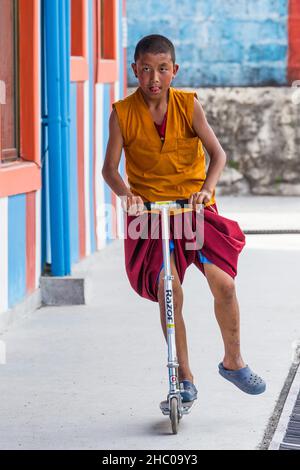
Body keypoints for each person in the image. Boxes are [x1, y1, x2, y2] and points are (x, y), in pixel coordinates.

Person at [102, 34, 266, 401]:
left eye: (162, 69)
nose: (154, 78)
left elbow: (218, 155)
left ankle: (234, 361)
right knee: (168, 290)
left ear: (174, 71)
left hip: (193, 208)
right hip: (150, 213)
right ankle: (184, 378)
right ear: (135, 71)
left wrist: (207, 189)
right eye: (146, 70)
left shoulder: (189, 106)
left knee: (224, 284)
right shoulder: (122, 113)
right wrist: (127, 197)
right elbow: (110, 170)